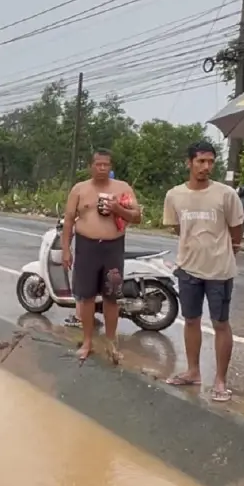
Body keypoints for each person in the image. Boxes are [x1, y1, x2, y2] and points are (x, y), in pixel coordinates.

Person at [162, 142, 244, 402]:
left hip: (220, 270)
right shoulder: (174, 195)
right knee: (191, 320)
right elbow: (177, 228)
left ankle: (220, 380)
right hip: (188, 268)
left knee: (220, 323)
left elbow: (236, 229)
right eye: (200, 161)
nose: (206, 167)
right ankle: (193, 371)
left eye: (210, 162)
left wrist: (228, 251)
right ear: (189, 163)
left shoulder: (226, 194)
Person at [60, 149, 141, 363]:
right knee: (85, 297)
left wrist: (117, 208)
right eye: (98, 164)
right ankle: (87, 342)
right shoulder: (80, 189)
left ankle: (111, 342)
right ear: (91, 166)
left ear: (111, 166)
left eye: (106, 165)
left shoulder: (122, 188)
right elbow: (68, 220)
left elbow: (137, 216)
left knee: (111, 297)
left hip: (112, 248)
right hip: (86, 248)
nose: (102, 168)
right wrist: (66, 250)